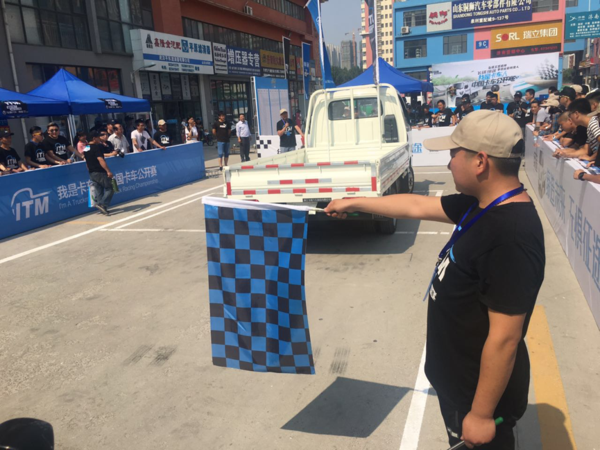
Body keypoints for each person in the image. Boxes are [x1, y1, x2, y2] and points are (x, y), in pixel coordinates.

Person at [325, 110, 545, 450]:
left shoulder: (511, 235)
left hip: (476, 394)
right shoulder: (480, 205)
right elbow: (416, 205)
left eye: (454, 154)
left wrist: (481, 414)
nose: (448, 163)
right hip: (459, 381)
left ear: (480, 161)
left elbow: (506, 338)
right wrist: (353, 202)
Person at [84, 130, 114, 216]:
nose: (99, 139)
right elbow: (100, 159)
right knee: (110, 188)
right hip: (100, 171)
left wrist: (89, 170)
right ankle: (102, 204)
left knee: (99, 191)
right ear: (94, 138)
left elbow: (86, 161)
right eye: (98, 137)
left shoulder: (86, 148)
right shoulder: (97, 147)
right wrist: (108, 171)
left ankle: (103, 208)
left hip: (92, 172)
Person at [567, 99, 600, 164]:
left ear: (576, 114)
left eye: (569, 115)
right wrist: (566, 154)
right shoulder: (590, 125)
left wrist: (592, 158)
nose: (569, 119)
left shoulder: (592, 124)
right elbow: (586, 150)